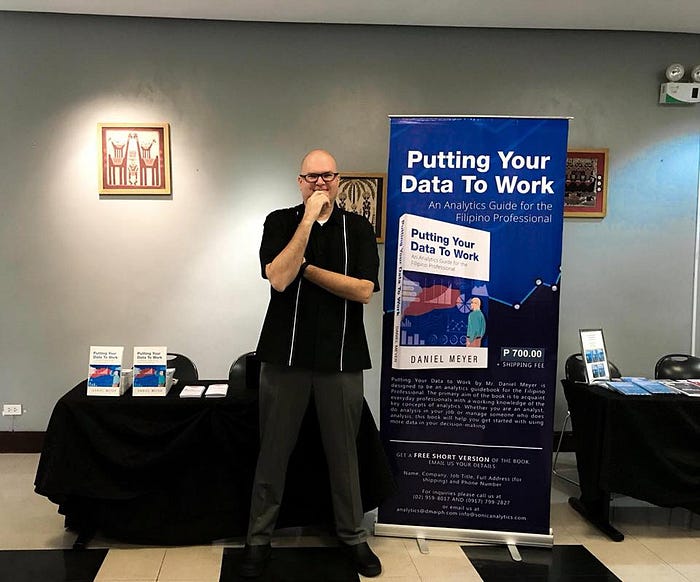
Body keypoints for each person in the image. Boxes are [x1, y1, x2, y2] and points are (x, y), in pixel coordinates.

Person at [238, 149, 382, 578]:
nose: (320, 183)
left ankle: (353, 536)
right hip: (285, 356)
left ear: (338, 180)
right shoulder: (279, 222)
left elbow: (363, 290)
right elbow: (279, 277)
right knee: (273, 451)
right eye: (312, 176)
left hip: (342, 357)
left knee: (345, 454)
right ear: (300, 182)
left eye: (328, 176)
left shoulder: (358, 228)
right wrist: (306, 222)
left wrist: (308, 269)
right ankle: (258, 538)